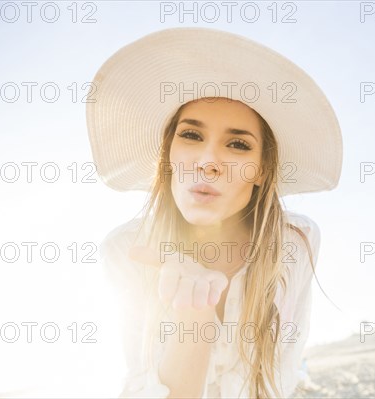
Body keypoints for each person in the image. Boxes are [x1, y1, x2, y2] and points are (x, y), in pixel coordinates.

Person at [87, 28, 343, 398]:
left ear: (261, 171)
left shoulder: (295, 241)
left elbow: (278, 378)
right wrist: (194, 313)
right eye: (191, 136)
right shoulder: (126, 249)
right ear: (168, 155)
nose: (208, 164)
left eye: (238, 145)